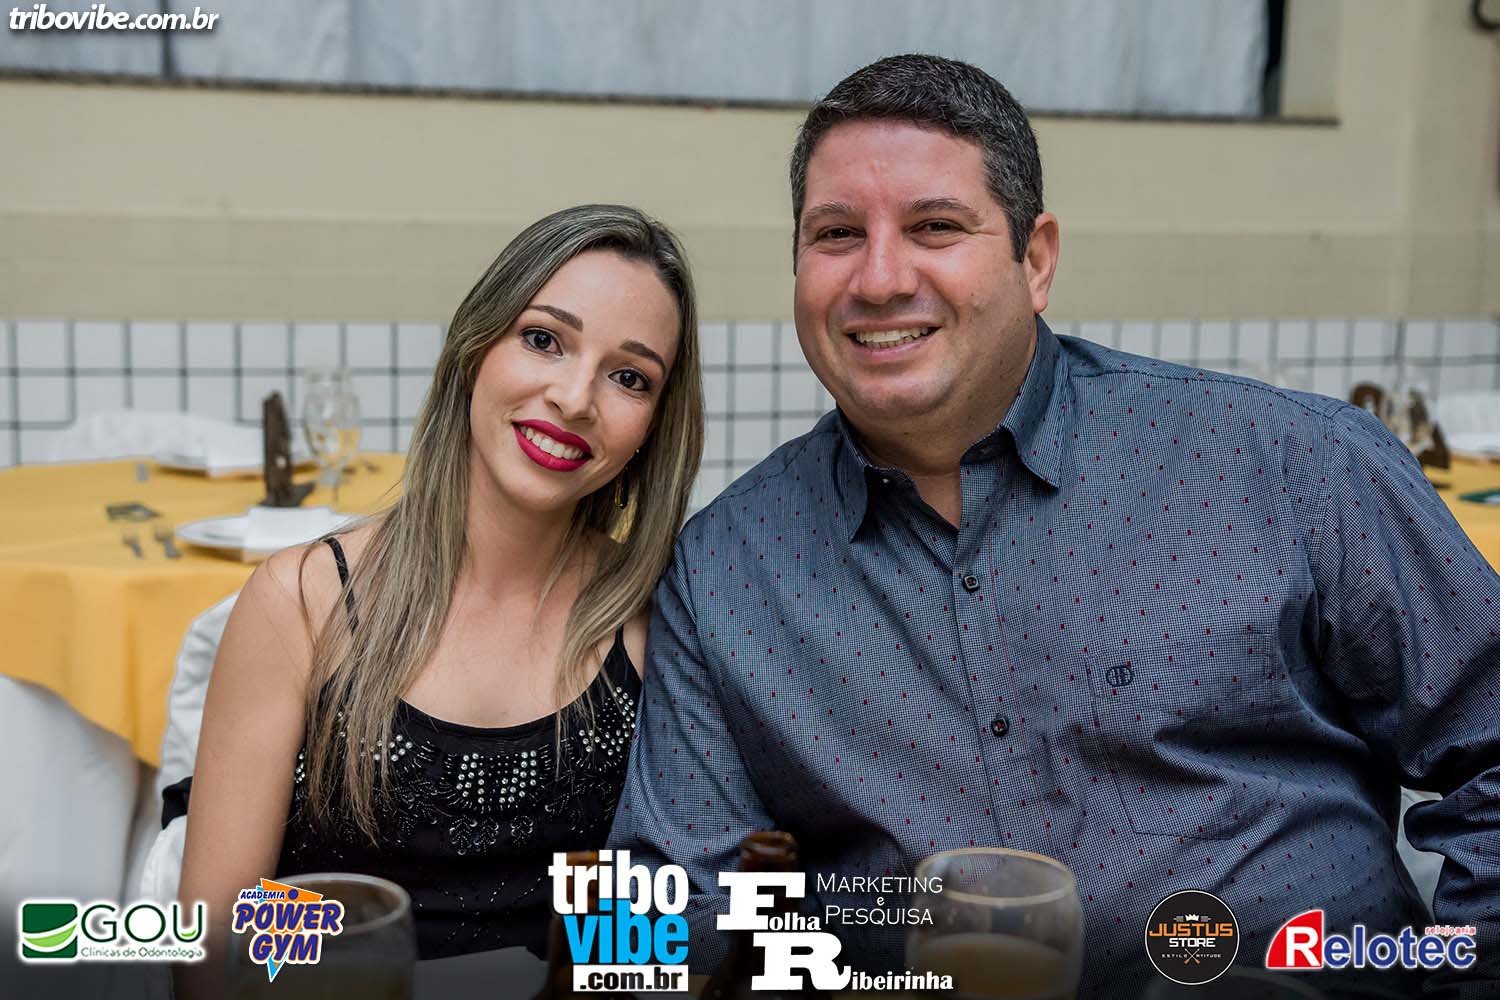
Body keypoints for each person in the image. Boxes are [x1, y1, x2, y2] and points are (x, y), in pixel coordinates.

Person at [608, 55, 1500, 997]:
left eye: (935, 227)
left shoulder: (1290, 464)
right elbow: (677, 909)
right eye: (836, 234)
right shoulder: (728, 572)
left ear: (1035, 261)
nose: (879, 278)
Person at [177, 204, 703, 974]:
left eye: (630, 377)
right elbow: (214, 938)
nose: (575, 397)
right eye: (543, 339)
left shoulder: (660, 621)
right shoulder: (303, 602)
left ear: (654, 426)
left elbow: (662, 930)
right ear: (473, 348)